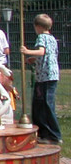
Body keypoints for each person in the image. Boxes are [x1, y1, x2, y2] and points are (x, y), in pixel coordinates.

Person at [21, 13, 62, 146]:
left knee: (45, 104)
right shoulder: (52, 38)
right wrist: (34, 59)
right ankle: (44, 132)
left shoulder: (41, 37)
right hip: (50, 75)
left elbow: (42, 52)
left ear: (38, 26)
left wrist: (27, 51)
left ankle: (53, 134)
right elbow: (48, 54)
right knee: (42, 104)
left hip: (45, 76)